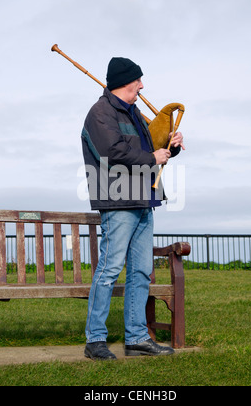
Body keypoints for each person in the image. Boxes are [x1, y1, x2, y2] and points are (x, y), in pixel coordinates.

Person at [81, 57, 184, 360]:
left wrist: (172, 145)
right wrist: (153, 157)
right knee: (110, 270)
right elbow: (112, 153)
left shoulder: (135, 112)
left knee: (140, 271)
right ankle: (95, 340)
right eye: (138, 80)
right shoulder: (100, 113)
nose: (142, 85)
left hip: (144, 200)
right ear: (125, 82)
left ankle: (136, 339)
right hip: (118, 201)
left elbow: (150, 147)